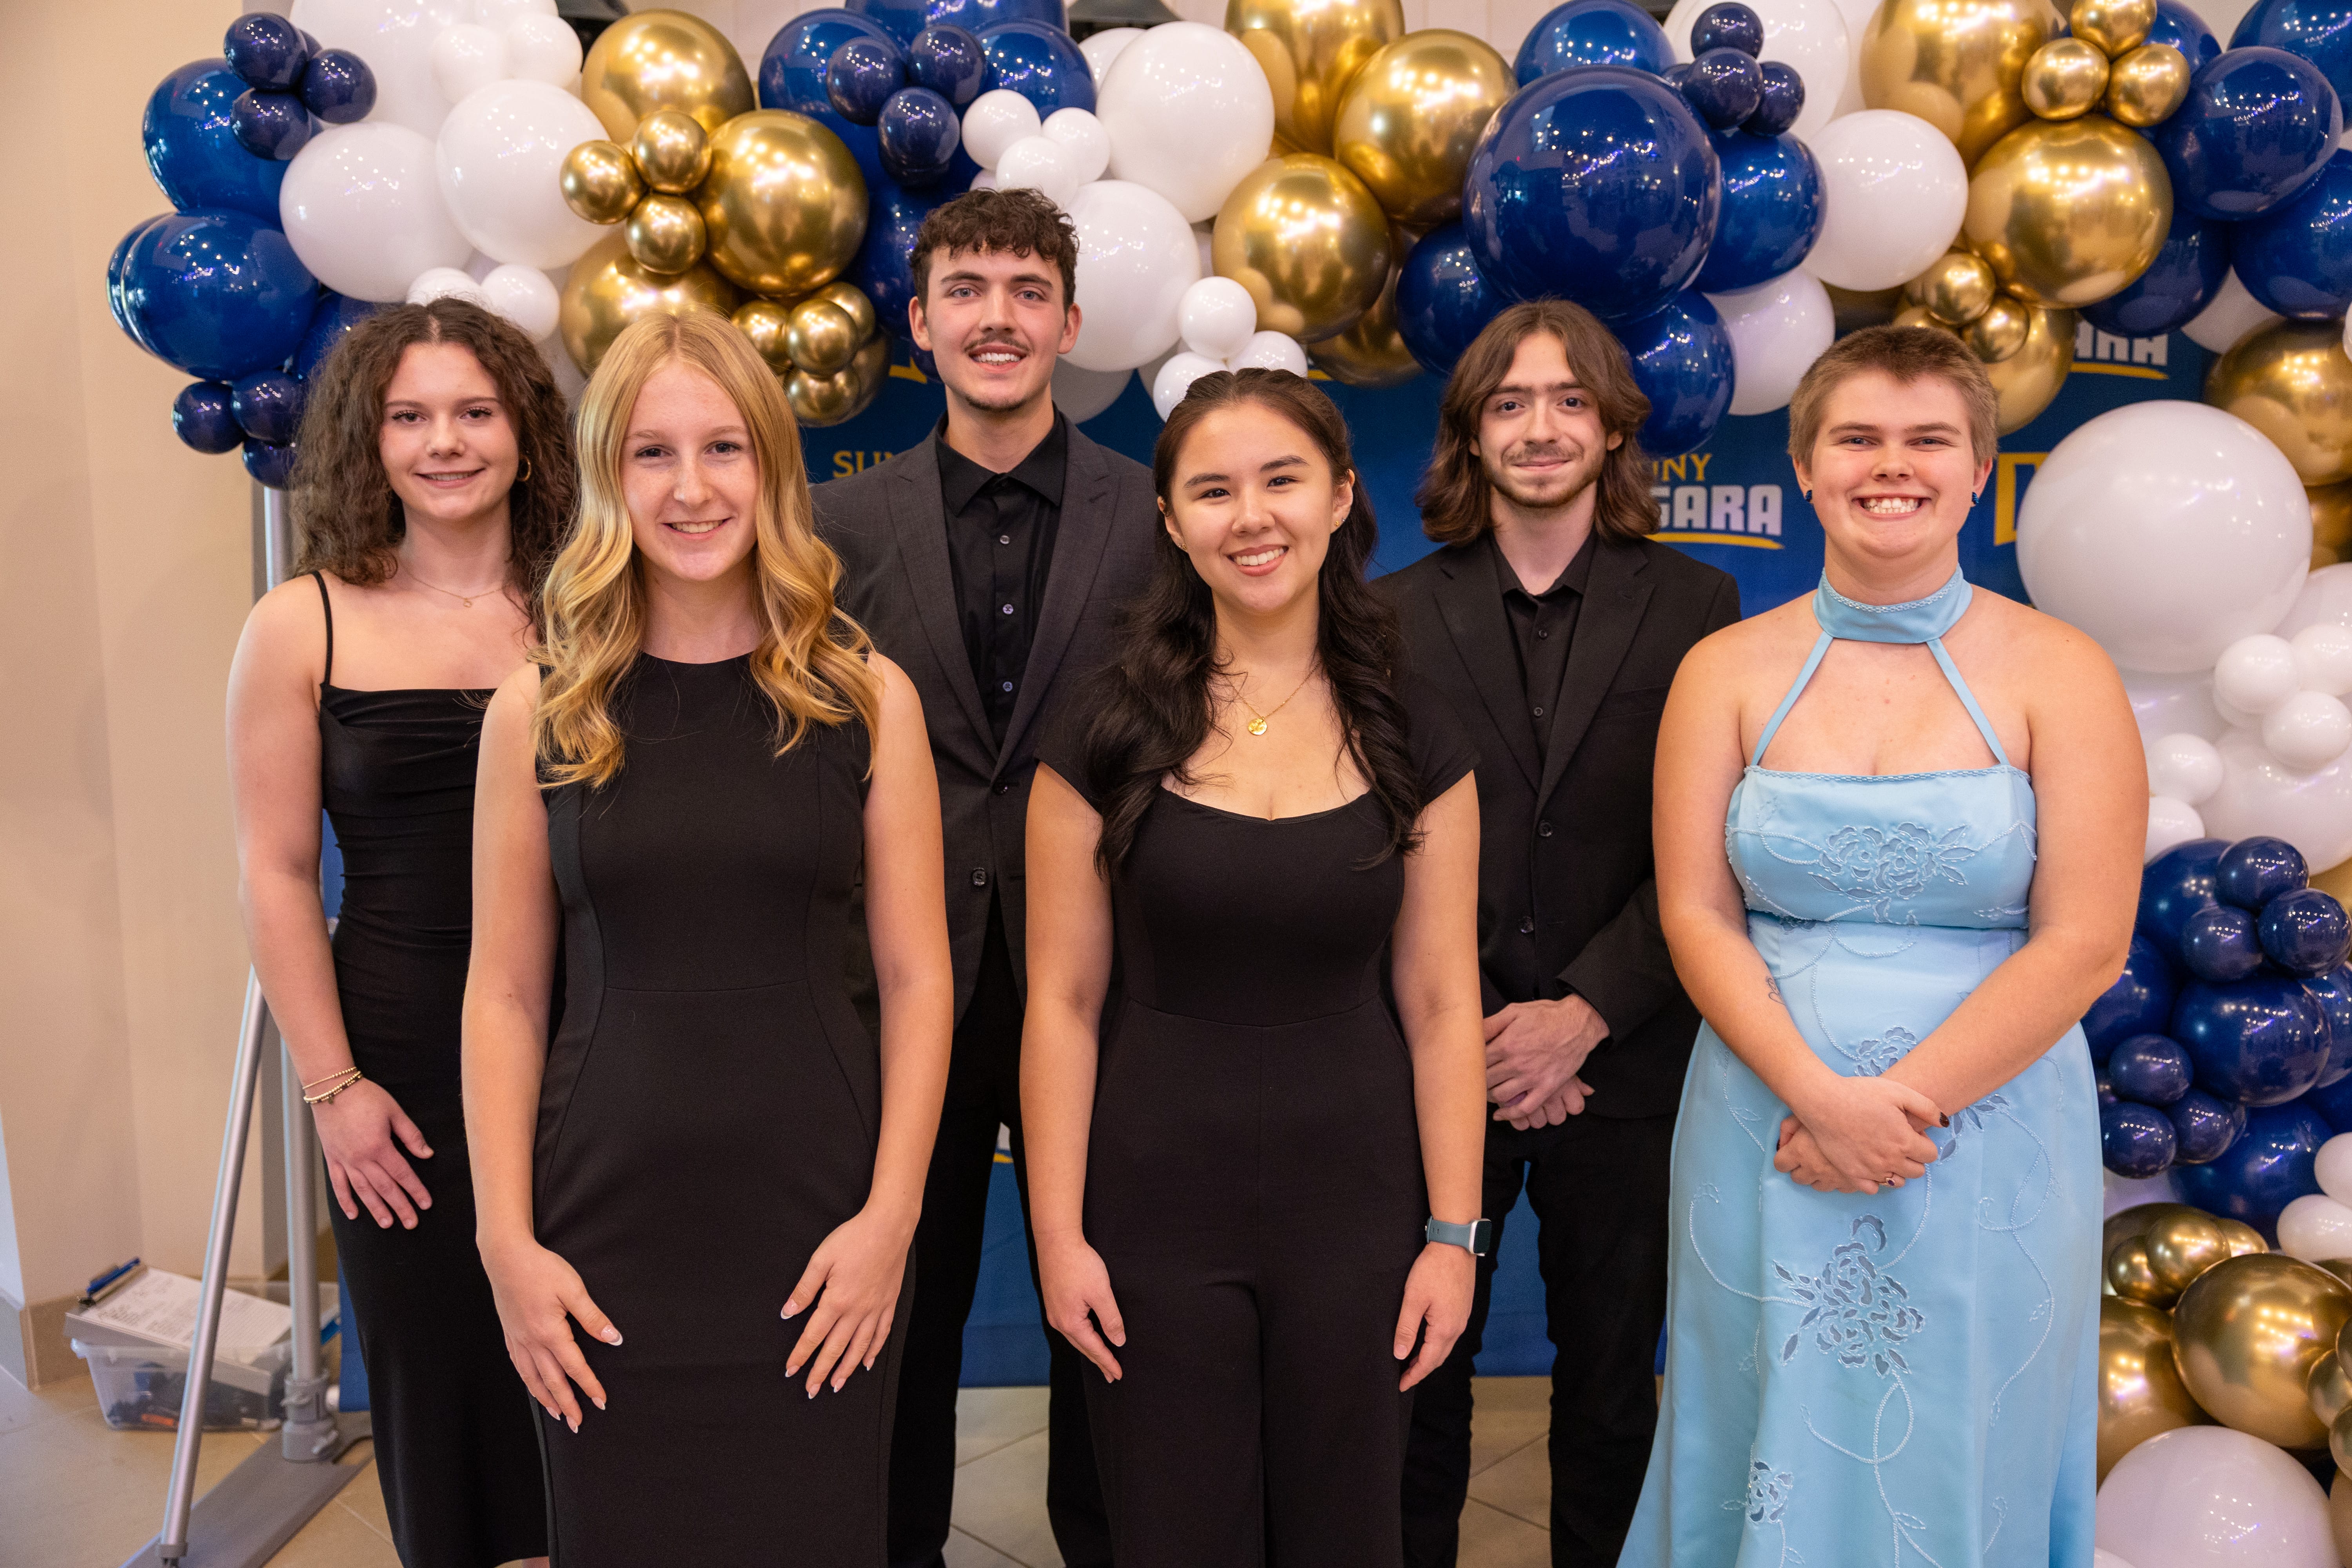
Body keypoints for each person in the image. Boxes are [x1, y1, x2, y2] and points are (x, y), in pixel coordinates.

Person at [1623, 326, 2137, 1566]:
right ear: (1806, 468)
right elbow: (1695, 912)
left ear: (1977, 472)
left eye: (1927, 441)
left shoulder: (2062, 671)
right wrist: (1818, 1100)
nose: (1889, 465)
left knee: (1961, 1432)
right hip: (1766, 1116)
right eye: (1856, 437)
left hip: (1985, 1132)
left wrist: (1895, 1111)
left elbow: (2085, 940)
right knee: (1763, 1422)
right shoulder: (1724, 669)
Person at [463, 310, 954, 1566]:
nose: (691, 490)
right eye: (651, 453)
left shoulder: (863, 696)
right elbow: (507, 995)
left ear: (774, 469)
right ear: (605, 477)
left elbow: (915, 977)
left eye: (725, 448)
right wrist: (505, 1241)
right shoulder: (541, 706)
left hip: (818, 1226)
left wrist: (892, 1218)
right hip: (603, 1220)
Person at [1023, 367, 1490, 1568]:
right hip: (1150, 1201)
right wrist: (1058, 1236)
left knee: (1350, 1531)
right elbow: (1063, 1005)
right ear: (1173, 524)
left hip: (1363, 1205)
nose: (1253, 516)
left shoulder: (1416, 725)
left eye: (1283, 479)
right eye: (1214, 491)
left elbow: (1443, 1007)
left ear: (1341, 496)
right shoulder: (1100, 728)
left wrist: (1454, 1234)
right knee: (1175, 1531)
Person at [814, 186, 1158, 1568]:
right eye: (967, 290)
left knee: (1112, 1302)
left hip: (1114, 973)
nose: (997, 317)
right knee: (903, 1293)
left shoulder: (1157, 512)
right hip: (902, 975)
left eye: (1026, 291)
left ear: (1070, 322)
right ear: (921, 324)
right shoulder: (834, 522)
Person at [1382, 299, 1741, 1568]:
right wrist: (1490, 1034)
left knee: (1608, 1391)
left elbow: (1711, 851)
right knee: (1418, 1377)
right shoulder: (1385, 617)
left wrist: (1581, 1013)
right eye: (1511, 403)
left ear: (1613, 428)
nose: (1541, 429)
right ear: (1471, 436)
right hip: (1440, 1064)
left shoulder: (1703, 603)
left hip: (1629, 1063)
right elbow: (1373, 845)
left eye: (1569, 401)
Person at [226, 298, 572, 1568]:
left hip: (585, 1048)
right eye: (409, 417)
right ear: (368, 443)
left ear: (526, 435)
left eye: (475, 413)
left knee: (590, 1385)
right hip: (398, 1074)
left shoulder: (592, 605)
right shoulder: (299, 624)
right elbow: (271, 875)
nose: (445, 443)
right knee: (446, 1395)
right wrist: (333, 1090)